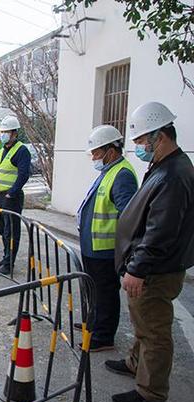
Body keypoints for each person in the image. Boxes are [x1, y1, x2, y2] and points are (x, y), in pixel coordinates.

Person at [106, 102, 194, 402]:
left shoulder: (173, 175)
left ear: (161, 136)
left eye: (143, 140)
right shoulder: (164, 166)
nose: (140, 147)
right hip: (150, 267)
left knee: (154, 330)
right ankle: (135, 364)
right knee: (143, 322)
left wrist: (138, 269)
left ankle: (151, 393)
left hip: (156, 270)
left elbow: (160, 231)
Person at [76, 125, 137, 352]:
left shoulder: (122, 175)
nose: (93, 157)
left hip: (106, 249)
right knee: (95, 290)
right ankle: (95, 322)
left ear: (111, 151)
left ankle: (103, 336)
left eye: (96, 153)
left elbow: (129, 215)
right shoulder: (108, 171)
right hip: (93, 247)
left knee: (105, 292)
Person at [0, 116, 31, 274]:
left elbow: (23, 175)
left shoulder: (21, 151)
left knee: (12, 232)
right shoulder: (3, 150)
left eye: (6, 132)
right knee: (3, 230)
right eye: (2, 132)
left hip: (11, 199)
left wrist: (11, 193)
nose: (3, 135)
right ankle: (5, 257)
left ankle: (9, 264)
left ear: (14, 133)